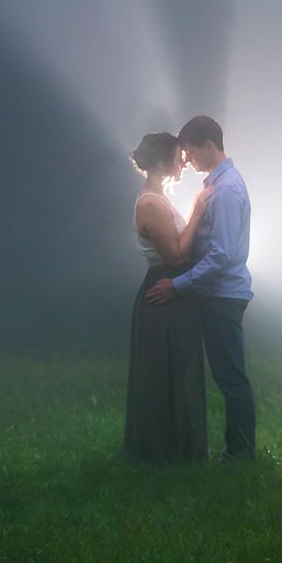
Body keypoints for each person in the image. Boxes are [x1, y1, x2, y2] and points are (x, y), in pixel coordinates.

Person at [146, 115, 256, 461]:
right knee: (228, 374)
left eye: (191, 152)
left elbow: (221, 254)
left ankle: (240, 455)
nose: (188, 160)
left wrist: (178, 285)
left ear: (210, 145)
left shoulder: (224, 191)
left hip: (222, 294)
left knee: (230, 377)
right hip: (218, 293)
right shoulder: (219, 185)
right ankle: (237, 452)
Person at [122, 130, 212, 465]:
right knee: (163, 371)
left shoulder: (158, 197)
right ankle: (161, 451)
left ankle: (179, 448)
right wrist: (198, 209)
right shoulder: (149, 203)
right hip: (164, 289)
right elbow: (175, 254)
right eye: (179, 157)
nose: (184, 163)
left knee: (179, 368)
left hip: (175, 290)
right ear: (164, 161)